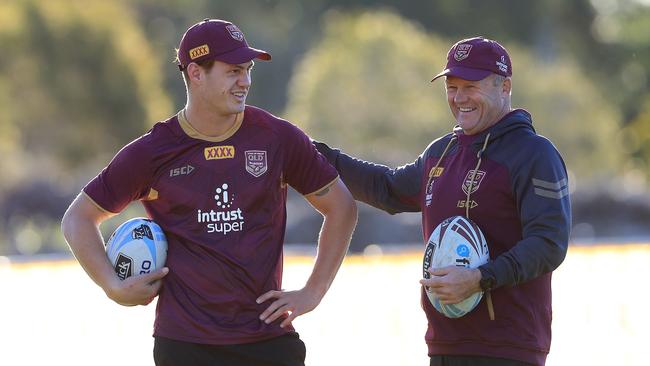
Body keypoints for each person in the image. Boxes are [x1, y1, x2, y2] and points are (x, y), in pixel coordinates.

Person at [61, 18, 357, 366]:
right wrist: (112, 285)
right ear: (196, 73)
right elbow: (77, 219)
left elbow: (342, 207)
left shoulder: (278, 137)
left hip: (268, 339)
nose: (244, 81)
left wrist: (313, 292)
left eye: (247, 70)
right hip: (185, 345)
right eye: (233, 71)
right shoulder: (152, 151)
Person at [315, 36, 571, 366]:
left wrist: (481, 278)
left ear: (504, 86)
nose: (459, 97)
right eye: (452, 86)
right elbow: (387, 188)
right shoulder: (441, 152)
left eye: (471, 86)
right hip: (443, 346)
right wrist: (310, 153)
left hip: (509, 348)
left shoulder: (535, 154)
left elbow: (549, 243)